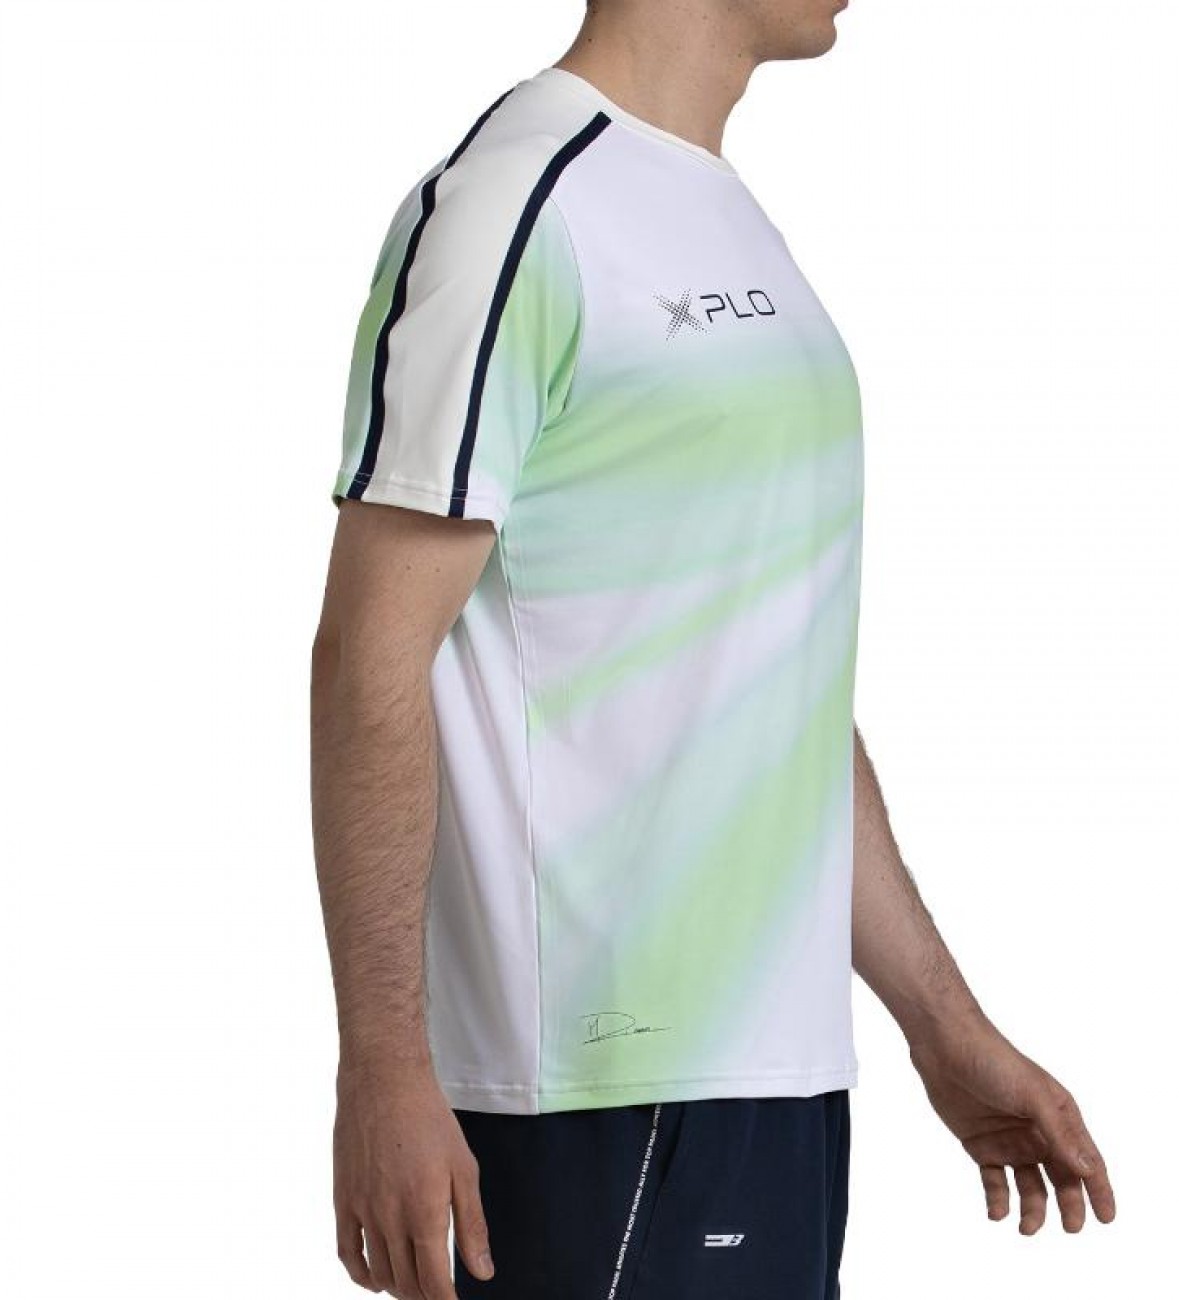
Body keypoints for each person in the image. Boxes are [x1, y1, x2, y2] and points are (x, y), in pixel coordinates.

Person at [309, 2, 1118, 1296]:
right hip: (586, 1097)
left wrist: (942, 1026)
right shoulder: (514, 207)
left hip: (782, 1081)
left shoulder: (724, 216)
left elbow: (774, 688)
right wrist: (385, 1070)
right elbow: (370, 656)